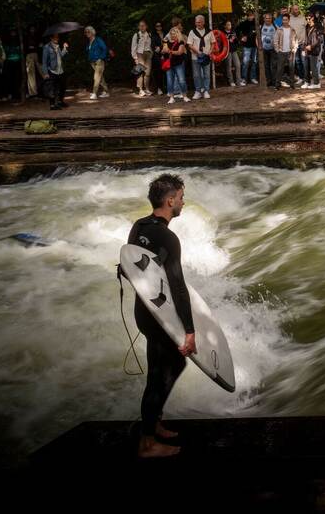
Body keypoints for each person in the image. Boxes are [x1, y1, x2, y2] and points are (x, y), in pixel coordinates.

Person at [127, 174, 196, 459]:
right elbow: (177, 286)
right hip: (159, 316)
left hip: (144, 310)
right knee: (158, 375)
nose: (182, 202)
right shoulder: (168, 237)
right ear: (170, 201)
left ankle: (153, 421)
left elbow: (131, 265)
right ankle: (147, 443)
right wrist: (189, 330)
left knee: (173, 364)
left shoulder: (139, 226)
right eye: (180, 197)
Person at [186, 15, 214, 99]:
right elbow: (189, 44)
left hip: (206, 56)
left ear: (203, 22)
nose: (197, 24)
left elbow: (213, 43)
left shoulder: (209, 32)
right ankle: (197, 91)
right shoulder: (192, 32)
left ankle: (206, 91)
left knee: (206, 75)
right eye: (196, 22)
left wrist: (210, 51)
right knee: (196, 75)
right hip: (195, 57)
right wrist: (197, 52)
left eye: (199, 22)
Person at [163, 23, 189, 104]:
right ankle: (171, 97)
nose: (173, 35)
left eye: (174, 33)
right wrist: (165, 49)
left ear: (178, 33)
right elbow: (164, 50)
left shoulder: (180, 42)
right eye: (171, 34)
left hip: (179, 63)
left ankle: (184, 96)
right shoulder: (166, 42)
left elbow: (180, 52)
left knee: (181, 80)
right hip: (169, 64)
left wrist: (170, 51)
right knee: (169, 81)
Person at [41, 33, 68, 110]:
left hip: (60, 70)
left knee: (63, 86)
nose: (57, 39)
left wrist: (64, 48)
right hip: (52, 71)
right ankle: (52, 105)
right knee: (51, 88)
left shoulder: (58, 46)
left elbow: (61, 56)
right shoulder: (47, 47)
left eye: (57, 37)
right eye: (55, 37)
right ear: (51, 38)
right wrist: (45, 73)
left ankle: (60, 102)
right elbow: (44, 62)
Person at [274, 13, 300, 88]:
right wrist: (278, 50)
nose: (284, 21)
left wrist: (294, 49)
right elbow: (275, 41)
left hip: (290, 52)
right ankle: (277, 85)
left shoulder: (292, 29)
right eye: (283, 20)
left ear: (289, 20)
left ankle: (292, 84)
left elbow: (296, 40)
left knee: (291, 69)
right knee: (279, 69)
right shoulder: (279, 30)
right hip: (281, 52)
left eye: (286, 20)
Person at [84, 26, 109, 100]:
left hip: (99, 61)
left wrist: (101, 58)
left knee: (96, 77)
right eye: (86, 32)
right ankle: (106, 91)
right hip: (92, 62)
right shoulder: (89, 41)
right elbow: (88, 50)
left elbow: (104, 48)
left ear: (92, 32)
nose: (87, 33)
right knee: (100, 77)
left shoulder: (98, 40)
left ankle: (94, 93)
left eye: (88, 32)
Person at [131, 19, 154, 97]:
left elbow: (151, 46)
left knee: (147, 73)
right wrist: (135, 58)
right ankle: (140, 90)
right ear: (138, 27)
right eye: (140, 26)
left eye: (143, 25)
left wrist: (151, 53)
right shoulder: (136, 35)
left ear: (146, 26)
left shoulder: (149, 35)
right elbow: (133, 47)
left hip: (148, 54)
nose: (142, 27)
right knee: (140, 72)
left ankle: (147, 89)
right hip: (139, 54)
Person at [303, 15, 325, 89]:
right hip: (307, 49)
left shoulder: (318, 27)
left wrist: (311, 46)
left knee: (313, 67)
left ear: (313, 19)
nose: (308, 20)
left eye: (309, 18)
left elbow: (319, 40)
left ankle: (316, 83)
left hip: (314, 50)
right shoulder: (307, 27)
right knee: (306, 66)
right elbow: (306, 37)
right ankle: (307, 82)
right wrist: (305, 46)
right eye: (307, 19)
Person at [236, 9, 258, 85]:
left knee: (254, 62)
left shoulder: (256, 23)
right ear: (247, 16)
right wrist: (241, 37)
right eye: (248, 15)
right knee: (245, 62)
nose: (250, 17)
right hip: (247, 46)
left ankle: (253, 78)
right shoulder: (243, 23)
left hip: (255, 45)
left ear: (254, 15)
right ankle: (244, 78)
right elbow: (237, 30)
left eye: (251, 15)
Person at [289, 5, 307, 80]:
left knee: (304, 61)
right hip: (294, 44)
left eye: (297, 9)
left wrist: (307, 41)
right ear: (292, 10)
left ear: (298, 9)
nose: (295, 11)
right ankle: (301, 77)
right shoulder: (289, 18)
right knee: (297, 61)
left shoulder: (303, 18)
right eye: (294, 9)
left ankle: (306, 78)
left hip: (303, 43)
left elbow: (308, 28)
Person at [259, 11, 276, 87]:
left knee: (273, 65)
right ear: (264, 19)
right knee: (266, 66)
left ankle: (274, 81)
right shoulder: (261, 26)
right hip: (264, 49)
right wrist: (259, 47)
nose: (268, 19)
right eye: (266, 18)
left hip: (273, 49)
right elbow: (257, 37)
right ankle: (268, 81)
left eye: (269, 18)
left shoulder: (275, 26)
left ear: (271, 19)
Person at [223, 20, 241, 86]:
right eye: (227, 24)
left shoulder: (233, 32)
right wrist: (228, 40)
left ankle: (238, 81)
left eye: (230, 24)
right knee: (229, 66)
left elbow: (237, 41)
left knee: (238, 65)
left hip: (234, 51)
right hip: (227, 51)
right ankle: (231, 81)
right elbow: (221, 43)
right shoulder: (222, 33)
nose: (229, 26)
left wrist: (235, 39)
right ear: (224, 26)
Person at [151, 22, 166, 94]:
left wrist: (160, 47)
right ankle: (159, 88)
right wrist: (159, 48)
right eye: (157, 26)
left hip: (166, 54)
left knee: (166, 71)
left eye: (160, 25)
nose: (158, 27)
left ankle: (166, 88)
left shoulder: (166, 34)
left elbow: (168, 43)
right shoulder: (153, 35)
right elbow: (153, 46)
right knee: (158, 72)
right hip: (157, 56)